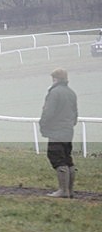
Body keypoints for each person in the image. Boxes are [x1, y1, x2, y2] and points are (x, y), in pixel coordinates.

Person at [39, 68, 78, 198]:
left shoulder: (54, 93)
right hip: (68, 131)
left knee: (57, 157)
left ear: (55, 79)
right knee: (67, 159)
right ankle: (70, 190)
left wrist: (43, 125)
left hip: (56, 131)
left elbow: (48, 112)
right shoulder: (71, 93)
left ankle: (63, 190)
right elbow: (75, 114)